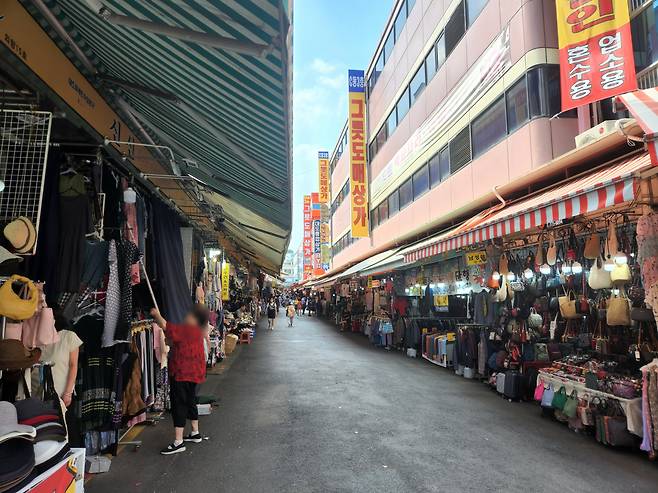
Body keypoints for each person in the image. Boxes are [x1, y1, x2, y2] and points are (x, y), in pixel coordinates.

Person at [151, 304, 209, 455]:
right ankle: (195, 433)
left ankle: (178, 441)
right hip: (195, 374)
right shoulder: (199, 331)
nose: (186, 317)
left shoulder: (186, 330)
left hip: (182, 373)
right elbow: (177, 342)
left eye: (189, 315)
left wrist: (156, 315)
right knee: (190, 401)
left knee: (179, 404)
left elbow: (166, 326)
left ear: (194, 318)